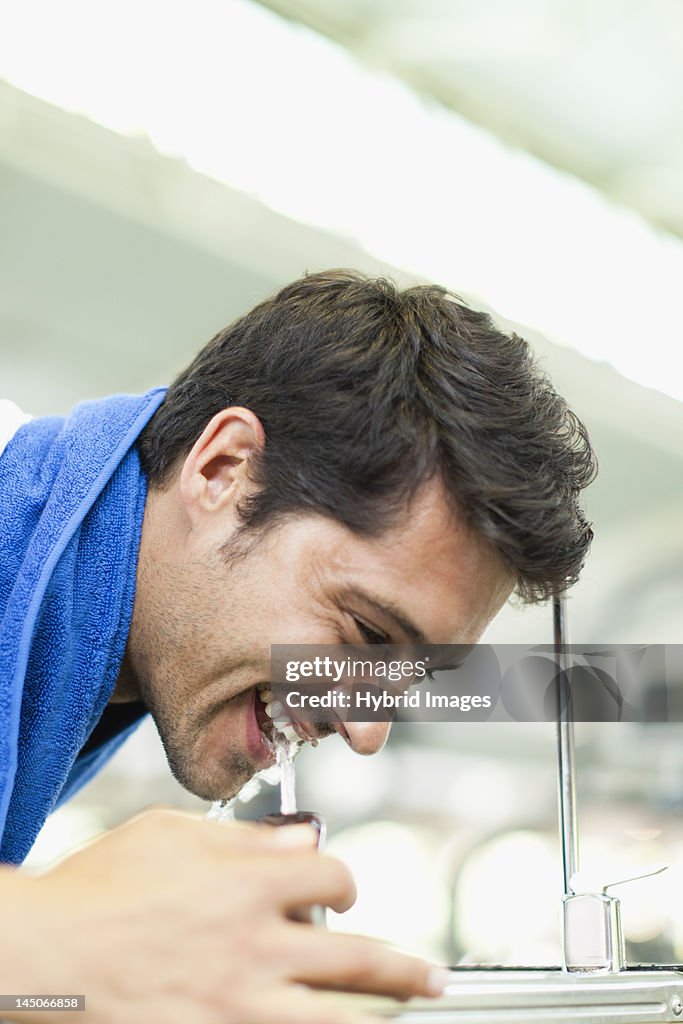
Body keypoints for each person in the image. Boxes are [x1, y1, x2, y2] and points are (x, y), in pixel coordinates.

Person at [0, 270, 596, 1022]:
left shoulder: (80, 656)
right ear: (222, 470)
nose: (368, 731)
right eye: (368, 633)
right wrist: (54, 946)